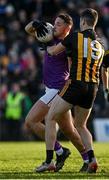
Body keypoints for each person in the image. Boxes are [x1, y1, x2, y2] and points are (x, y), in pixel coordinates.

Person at [25, 14, 87, 172]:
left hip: (58, 88)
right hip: (51, 89)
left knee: (31, 121)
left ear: (68, 28)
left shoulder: (68, 44)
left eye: (59, 24)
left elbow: (73, 67)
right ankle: (87, 158)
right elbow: (27, 29)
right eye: (55, 23)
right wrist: (36, 24)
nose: (55, 26)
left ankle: (57, 154)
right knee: (69, 131)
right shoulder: (49, 37)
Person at [45, 8, 105, 173]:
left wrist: (45, 43)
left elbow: (53, 51)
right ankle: (92, 158)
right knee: (81, 125)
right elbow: (103, 68)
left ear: (83, 22)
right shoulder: (100, 45)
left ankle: (50, 160)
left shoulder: (75, 36)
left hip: (75, 84)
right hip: (92, 88)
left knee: (50, 117)